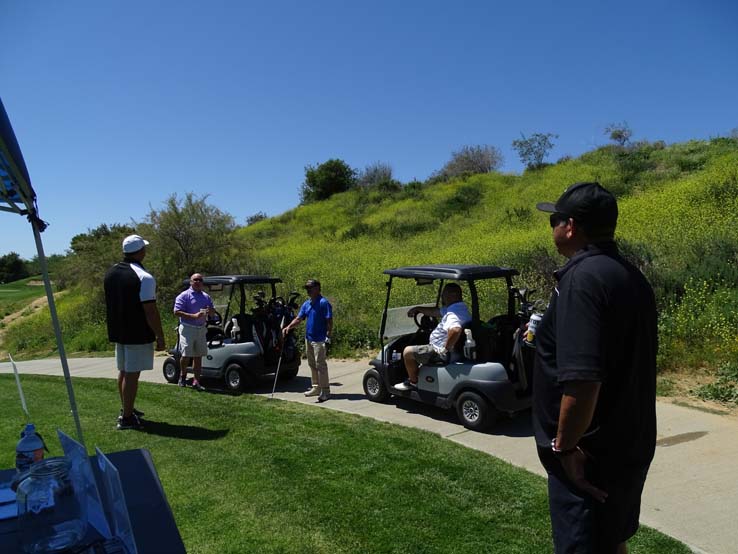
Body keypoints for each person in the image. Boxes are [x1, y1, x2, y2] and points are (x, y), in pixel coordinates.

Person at [533, 182, 657, 554]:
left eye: (553, 220)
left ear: (570, 226)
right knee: (611, 539)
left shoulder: (582, 281)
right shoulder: (629, 276)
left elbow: (583, 380)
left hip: (589, 459)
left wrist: (566, 448)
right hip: (626, 445)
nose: (552, 227)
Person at [104, 234, 166, 430]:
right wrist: (160, 335)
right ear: (141, 252)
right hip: (136, 331)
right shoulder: (144, 277)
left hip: (118, 330)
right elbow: (150, 309)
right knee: (132, 375)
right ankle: (127, 418)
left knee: (123, 370)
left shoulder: (111, 272)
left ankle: (126, 408)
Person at [394, 283, 471, 391]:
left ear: (450, 295)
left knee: (407, 352)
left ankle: (413, 382)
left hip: (440, 352)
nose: (442, 298)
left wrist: (445, 349)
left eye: (443, 295)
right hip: (454, 350)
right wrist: (418, 309)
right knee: (419, 348)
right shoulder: (459, 308)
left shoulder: (452, 313)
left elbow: (455, 329)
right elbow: (435, 312)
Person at [282, 279, 333, 402]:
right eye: (307, 288)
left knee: (321, 365)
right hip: (309, 338)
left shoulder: (323, 303)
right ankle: (316, 387)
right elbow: (299, 318)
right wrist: (289, 327)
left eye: (310, 288)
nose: (308, 290)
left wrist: (328, 335)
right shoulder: (307, 304)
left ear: (317, 288)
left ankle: (325, 391)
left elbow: (329, 321)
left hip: (320, 339)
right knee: (312, 364)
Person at [173, 273, 215, 391]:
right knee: (186, 354)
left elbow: (212, 312)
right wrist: (193, 315)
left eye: (200, 280)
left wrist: (211, 311)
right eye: (195, 280)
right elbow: (177, 312)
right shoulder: (184, 296)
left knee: (198, 356)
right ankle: (183, 375)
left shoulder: (206, 296)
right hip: (188, 328)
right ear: (191, 282)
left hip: (201, 328)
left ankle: (196, 381)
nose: (198, 282)